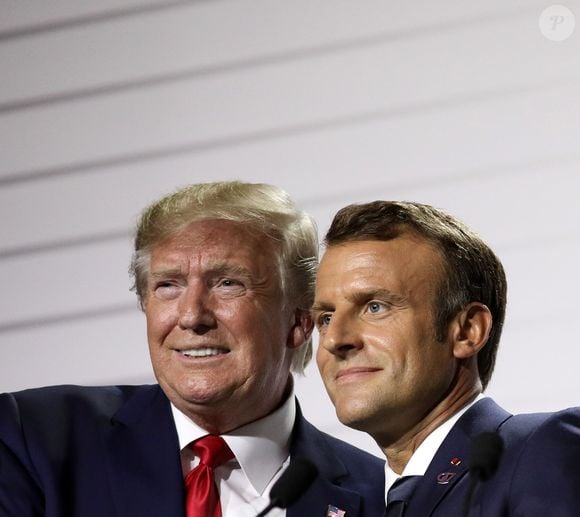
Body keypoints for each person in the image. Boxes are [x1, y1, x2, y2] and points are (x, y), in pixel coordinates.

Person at [0, 182, 384, 517]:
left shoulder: (379, 498)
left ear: (300, 320)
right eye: (168, 285)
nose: (191, 315)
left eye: (229, 283)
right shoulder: (33, 438)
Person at [313, 200, 580, 516]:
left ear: (467, 331)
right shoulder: (356, 506)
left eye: (375, 307)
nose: (334, 340)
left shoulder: (540, 451)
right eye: (326, 317)